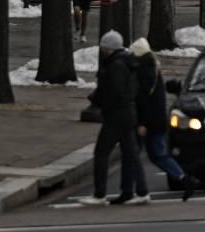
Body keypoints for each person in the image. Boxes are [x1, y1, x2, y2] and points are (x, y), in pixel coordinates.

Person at [79, 31, 149, 205]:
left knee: (101, 152)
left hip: (116, 115)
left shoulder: (116, 65)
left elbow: (114, 92)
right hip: (128, 113)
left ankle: (99, 193)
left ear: (109, 48)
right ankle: (141, 191)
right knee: (131, 153)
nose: (102, 50)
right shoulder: (127, 62)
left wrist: (99, 101)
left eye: (104, 47)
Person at [130, 38, 196, 201]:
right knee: (156, 155)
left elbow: (144, 100)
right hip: (157, 120)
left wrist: (143, 123)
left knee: (146, 155)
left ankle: (139, 189)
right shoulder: (153, 67)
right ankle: (181, 178)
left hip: (151, 122)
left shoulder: (144, 70)